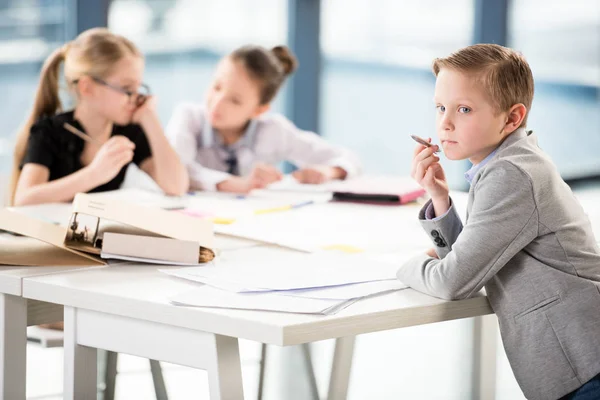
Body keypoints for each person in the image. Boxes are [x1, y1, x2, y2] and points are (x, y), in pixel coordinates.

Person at [397, 44, 600, 400]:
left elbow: (454, 282)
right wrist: (440, 198)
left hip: (584, 361)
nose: (445, 122)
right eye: (440, 107)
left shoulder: (512, 174)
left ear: (511, 118)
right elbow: (471, 262)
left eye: (464, 109)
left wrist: (409, 266)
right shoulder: (503, 164)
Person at [9, 28, 188, 206]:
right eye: (127, 89)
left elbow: (176, 187)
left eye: (138, 89)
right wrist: (94, 174)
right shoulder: (49, 131)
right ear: (87, 87)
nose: (135, 98)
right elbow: (25, 199)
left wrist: (150, 118)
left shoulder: (129, 131)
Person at [166, 45, 360, 193]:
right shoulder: (188, 117)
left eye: (235, 101)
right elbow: (178, 170)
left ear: (259, 110)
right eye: (217, 87)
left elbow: (347, 157)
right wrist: (238, 184)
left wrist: (328, 172)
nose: (217, 103)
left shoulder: (273, 131)